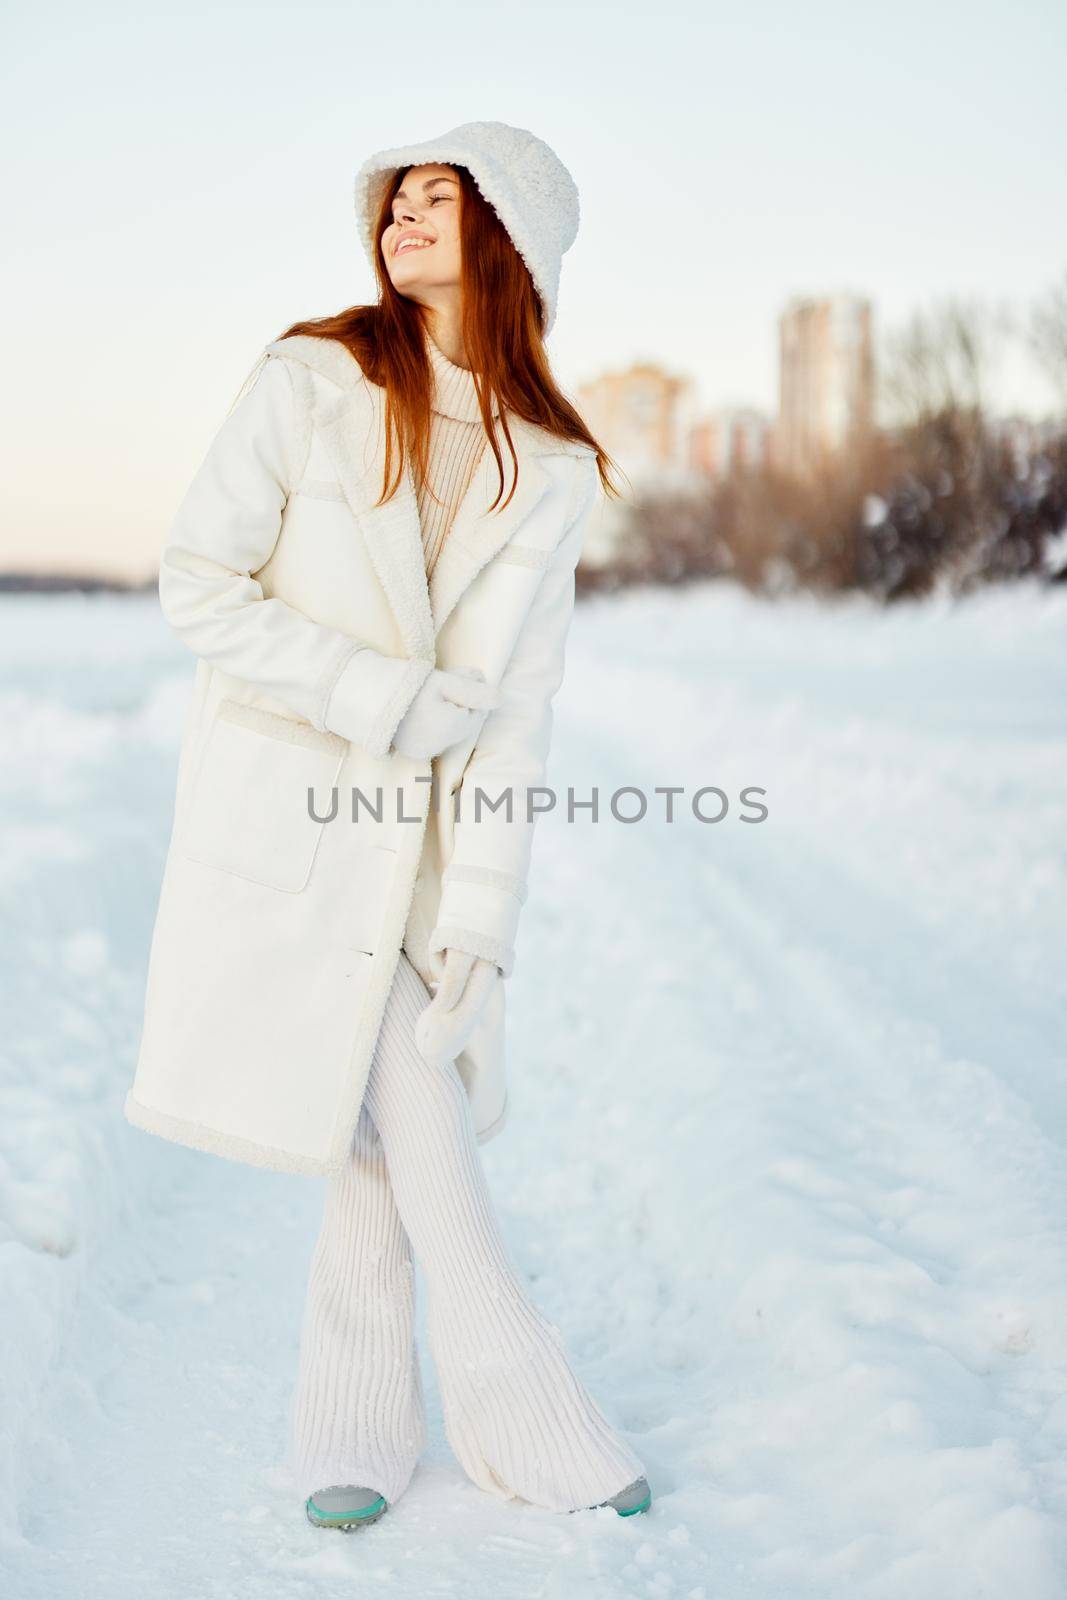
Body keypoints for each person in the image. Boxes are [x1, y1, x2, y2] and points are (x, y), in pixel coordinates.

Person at [125, 120, 651, 1530]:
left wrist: (482, 916)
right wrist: (382, 698)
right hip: (292, 808)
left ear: (511, 240)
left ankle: (351, 1430)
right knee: (402, 1092)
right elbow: (200, 582)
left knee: (387, 1106)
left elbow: (518, 714)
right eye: (396, 200)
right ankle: (514, 1387)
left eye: (441, 199)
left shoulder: (544, 465)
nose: (403, 218)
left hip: (421, 862)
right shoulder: (312, 375)